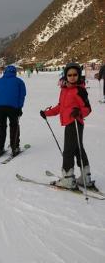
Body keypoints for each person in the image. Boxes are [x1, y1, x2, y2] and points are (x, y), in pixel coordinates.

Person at [40, 62, 95, 190]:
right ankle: (85, 177)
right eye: (69, 75)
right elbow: (60, 107)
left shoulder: (80, 90)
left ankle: (68, 179)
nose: (72, 77)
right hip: (70, 123)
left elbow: (87, 109)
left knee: (69, 151)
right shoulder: (65, 90)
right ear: (65, 76)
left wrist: (79, 112)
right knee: (77, 149)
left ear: (78, 75)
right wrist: (46, 113)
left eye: (75, 74)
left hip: (75, 123)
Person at [0, 65, 26, 157]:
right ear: (15, 72)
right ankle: (15, 147)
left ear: (4, 72)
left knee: (2, 126)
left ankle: (0, 148)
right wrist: (19, 108)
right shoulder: (19, 82)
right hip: (13, 107)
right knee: (14, 126)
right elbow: (22, 96)